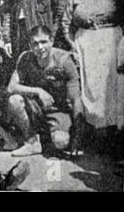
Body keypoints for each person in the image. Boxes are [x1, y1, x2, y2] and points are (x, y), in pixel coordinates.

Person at [62, 0, 124, 132]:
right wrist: (72, 44)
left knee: (113, 88)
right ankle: (97, 131)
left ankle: (115, 133)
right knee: (92, 90)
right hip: (86, 47)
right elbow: (66, 23)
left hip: (112, 43)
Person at [6, 26, 81, 156]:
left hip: (57, 110)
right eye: (35, 43)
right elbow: (11, 87)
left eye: (43, 42)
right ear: (30, 45)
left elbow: (76, 99)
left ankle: (51, 135)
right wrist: (39, 91)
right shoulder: (26, 58)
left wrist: (77, 136)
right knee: (14, 100)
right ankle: (33, 142)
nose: (40, 48)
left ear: (51, 41)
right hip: (36, 108)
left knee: (61, 142)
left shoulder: (64, 61)